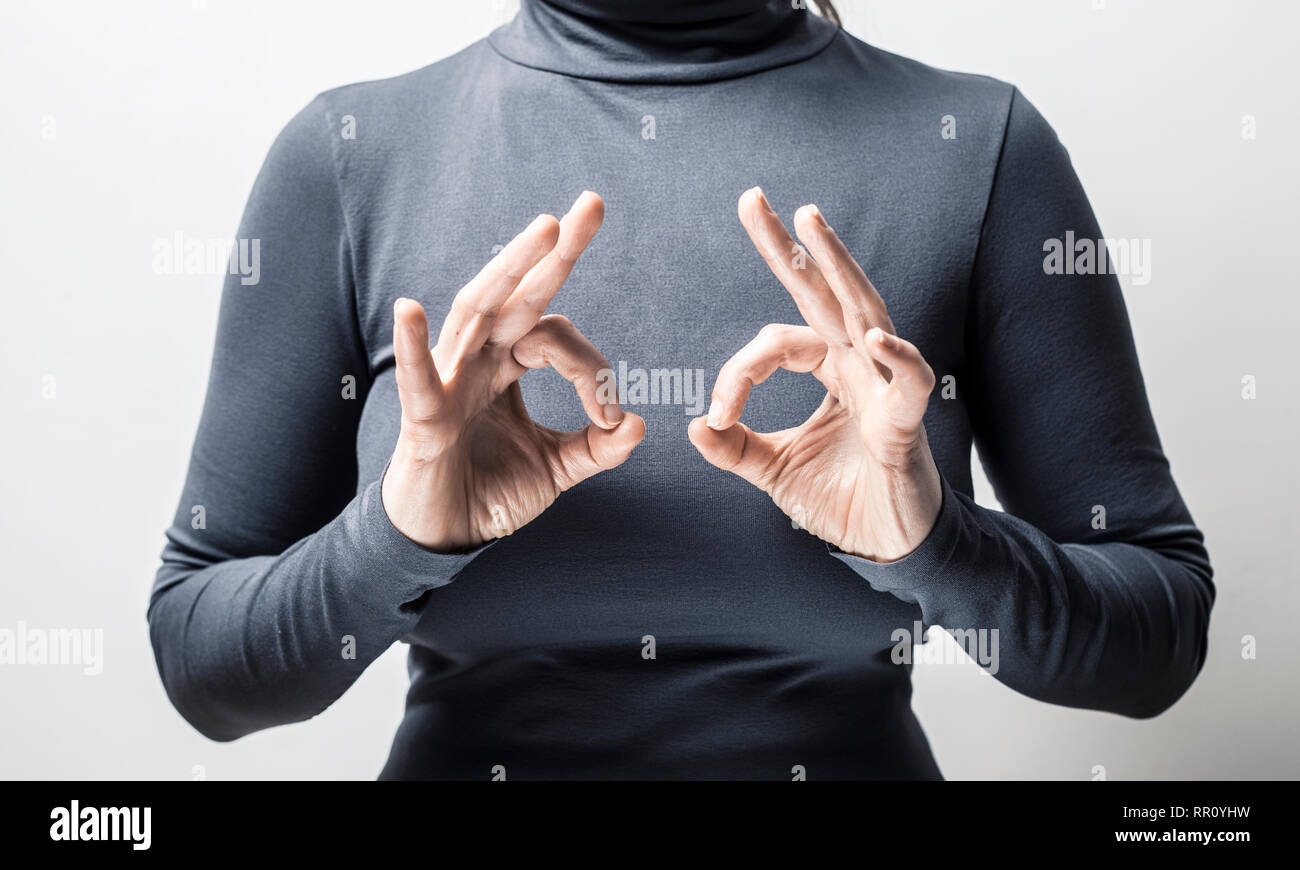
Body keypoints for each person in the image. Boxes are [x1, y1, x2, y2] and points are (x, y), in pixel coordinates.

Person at [148, 0, 1214, 779]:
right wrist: (394, 536)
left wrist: (934, 543)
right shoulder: (349, 156)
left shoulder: (981, 147)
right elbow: (205, 668)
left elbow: (1152, 643)